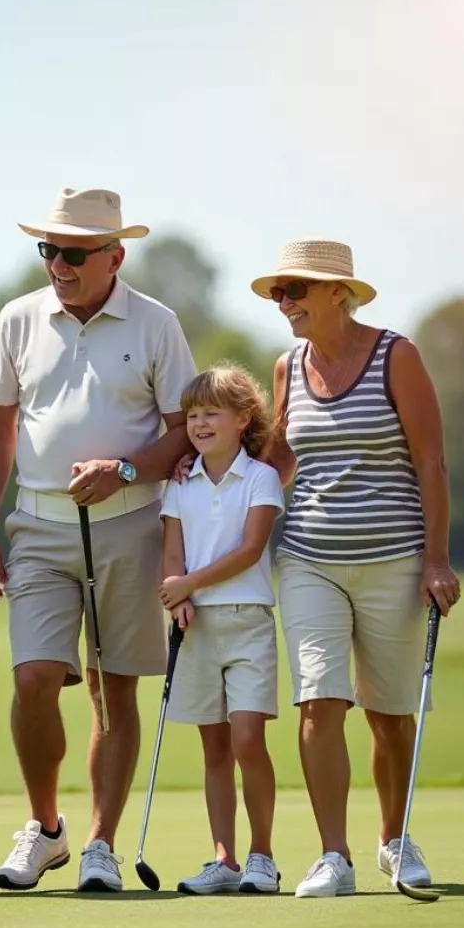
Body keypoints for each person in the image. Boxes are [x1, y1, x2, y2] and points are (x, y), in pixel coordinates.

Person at [0, 186, 196, 893]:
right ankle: (45, 831)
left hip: (130, 522)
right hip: (37, 523)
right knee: (34, 678)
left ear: (114, 256)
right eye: (48, 250)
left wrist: (124, 469)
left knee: (112, 691)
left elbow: (185, 430)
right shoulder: (17, 319)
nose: (57, 264)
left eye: (72, 253)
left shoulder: (157, 324)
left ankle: (101, 842)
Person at [250, 238, 461, 897]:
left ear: (339, 293)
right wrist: (220, 486)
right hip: (310, 558)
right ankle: (332, 856)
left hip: (394, 560)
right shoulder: (288, 366)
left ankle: (394, 841)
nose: (284, 304)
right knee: (319, 700)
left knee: (389, 714)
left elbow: (431, 461)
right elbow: (281, 461)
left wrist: (436, 558)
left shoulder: (397, 356)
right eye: (279, 293)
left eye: (297, 291)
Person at [158, 365, 285, 895]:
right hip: (199, 628)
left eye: (212, 413)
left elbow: (250, 550)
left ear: (243, 419)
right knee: (214, 748)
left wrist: (186, 583)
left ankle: (262, 856)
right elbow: (172, 548)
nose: (200, 423)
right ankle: (225, 860)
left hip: (248, 620)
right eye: (193, 415)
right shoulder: (180, 482)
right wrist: (176, 592)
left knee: (248, 738)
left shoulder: (261, 478)